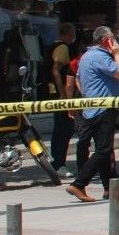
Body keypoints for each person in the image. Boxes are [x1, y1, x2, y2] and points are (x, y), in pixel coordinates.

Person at [65, 25, 119, 203]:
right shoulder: (99, 56)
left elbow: (78, 79)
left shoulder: (87, 56)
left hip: (94, 108)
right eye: (113, 39)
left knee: (105, 149)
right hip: (103, 108)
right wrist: (117, 54)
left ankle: (108, 188)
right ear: (105, 40)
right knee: (103, 150)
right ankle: (79, 183)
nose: (115, 42)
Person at [46, 22, 79, 173]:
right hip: (60, 95)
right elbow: (56, 70)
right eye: (73, 33)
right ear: (68, 33)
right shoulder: (63, 48)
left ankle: (57, 162)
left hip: (56, 93)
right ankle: (59, 163)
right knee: (64, 129)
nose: (74, 36)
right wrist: (62, 93)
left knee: (60, 129)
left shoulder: (53, 46)